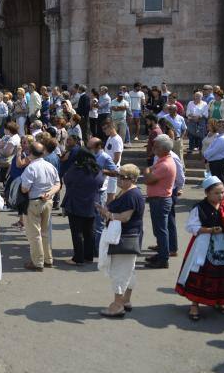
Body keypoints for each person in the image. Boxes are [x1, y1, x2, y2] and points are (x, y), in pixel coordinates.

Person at [175, 176, 224, 321]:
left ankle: (219, 301)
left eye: (222, 192)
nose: (221, 196)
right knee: (200, 274)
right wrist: (209, 230)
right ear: (207, 193)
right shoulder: (199, 208)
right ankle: (194, 304)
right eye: (216, 193)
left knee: (222, 273)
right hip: (204, 246)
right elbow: (191, 226)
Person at [98, 163, 144, 317]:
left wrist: (108, 214)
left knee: (120, 271)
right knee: (129, 270)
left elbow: (125, 217)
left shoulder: (132, 195)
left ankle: (117, 305)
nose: (119, 179)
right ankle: (126, 300)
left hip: (125, 238)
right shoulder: (126, 191)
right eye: (118, 176)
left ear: (132, 179)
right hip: (127, 236)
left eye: (123, 177)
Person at [20, 142, 61, 271]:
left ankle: (38, 262)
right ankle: (48, 259)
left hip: (34, 202)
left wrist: (21, 187)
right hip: (47, 201)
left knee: (34, 234)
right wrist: (49, 193)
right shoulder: (50, 166)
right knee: (45, 232)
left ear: (30, 153)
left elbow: (25, 189)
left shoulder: (31, 168)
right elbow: (58, 184)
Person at [62, 148, 105, 265]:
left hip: (75, 204)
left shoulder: (75, 169)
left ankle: (78, 258)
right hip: (92, 204)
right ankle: (88, 256)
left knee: (77, 232)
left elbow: (66, 180)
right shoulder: (97, 170)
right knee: (89, 231)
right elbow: (101, 184)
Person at [143, 135, 177, 269]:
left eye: (156, 146)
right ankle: (161, 254)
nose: (153, 148)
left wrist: (147, 171)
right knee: (159, 230)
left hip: (160, 200)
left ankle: (163, 258)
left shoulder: (165, 164)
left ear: (163, 148)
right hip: (158, 199)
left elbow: (148, 178)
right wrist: (148, 172)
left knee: (161, 230)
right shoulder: (163, 160)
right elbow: (149, 173)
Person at [203, 120, 224, 184]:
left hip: (219, 163)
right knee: (218, 183)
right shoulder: (220, 136)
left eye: (219, 126)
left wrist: (205, 154)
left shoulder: (223, 138)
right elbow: (211, 147)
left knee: (218, 183)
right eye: (217, 126)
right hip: (217, 163)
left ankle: (222, 194)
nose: (217, 128)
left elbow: (213, 151)